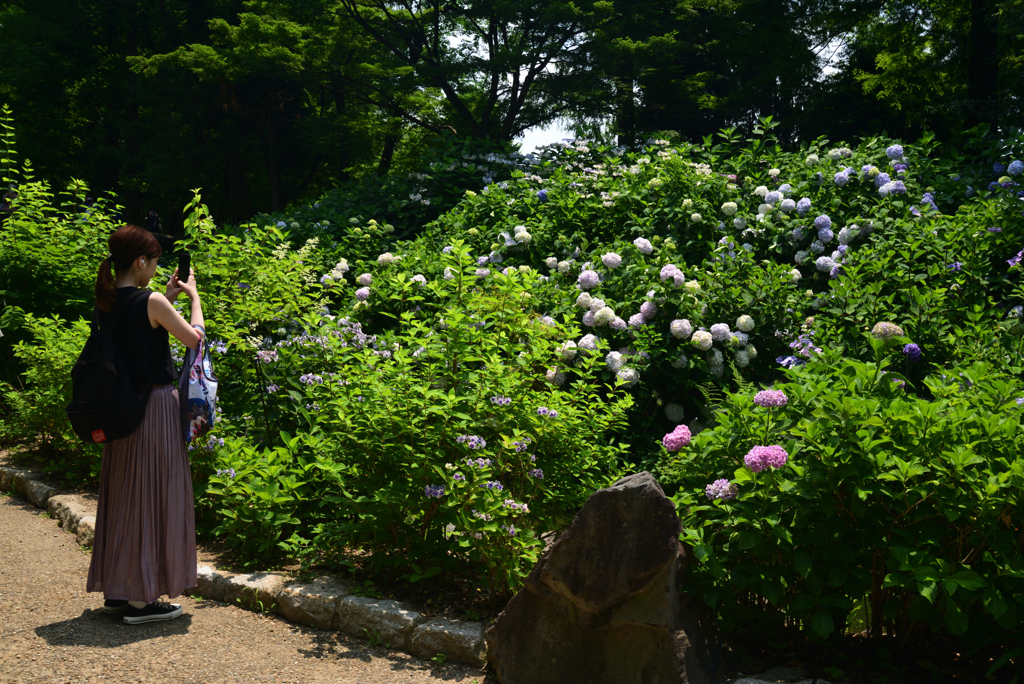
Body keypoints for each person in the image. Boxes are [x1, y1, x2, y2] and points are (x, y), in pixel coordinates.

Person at [86, 224, 205, 624]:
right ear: (141, 261)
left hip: (121, 413)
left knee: (125, 496)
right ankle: (143, 599)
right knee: (155, 493)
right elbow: (195, 340)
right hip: (153, 409)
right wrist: (193, 299)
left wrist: (165, 298)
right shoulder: (151, 301)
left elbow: (136, 330)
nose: (156, 270)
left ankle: (119, 593)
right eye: (153, 262)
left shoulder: (106, 299)